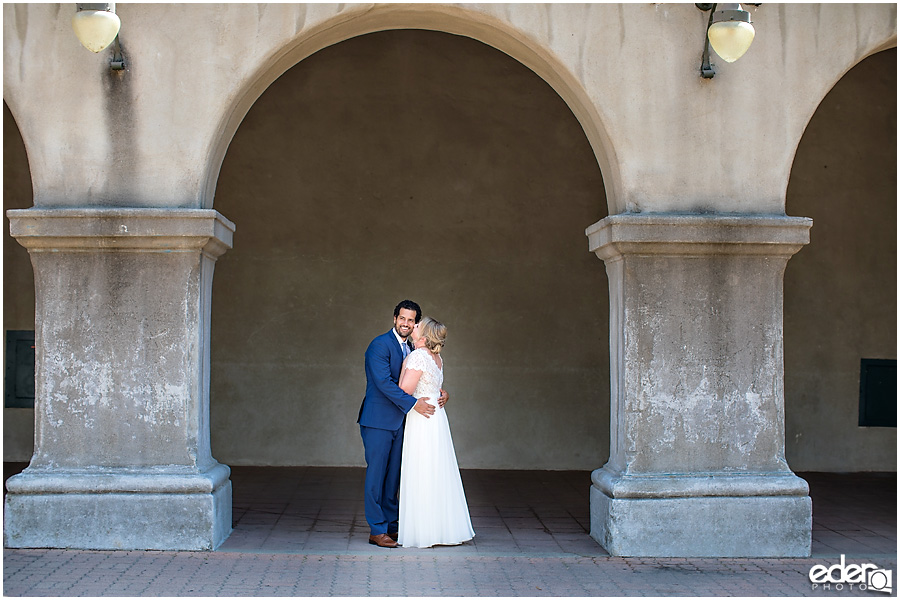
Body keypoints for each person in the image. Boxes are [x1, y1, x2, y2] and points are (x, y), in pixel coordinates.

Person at [357, 300, 449, 548]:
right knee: (376, 475)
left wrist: (439, 392)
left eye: (411, 320)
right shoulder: (379, 345)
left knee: (393, 477)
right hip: (378, 420)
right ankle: (377, 530)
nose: (406, 324)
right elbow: (384, 383)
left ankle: (391, 526)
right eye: (402, 318)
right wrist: (413, 404)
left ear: (416, 323)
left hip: (403, 423)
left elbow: (420, 378)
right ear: (394, 318)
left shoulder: (414, 348)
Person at [397, 316, 474, 548]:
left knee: (422, 469)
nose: (414, 325)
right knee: (437, 469)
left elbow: (404, 390)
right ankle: (443, 528)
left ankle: (424, 532)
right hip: (436, 418)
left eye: (418, 325)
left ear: (423, 334)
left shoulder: (418, 356)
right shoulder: (437, 358)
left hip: (422, 417)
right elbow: (434, 387)